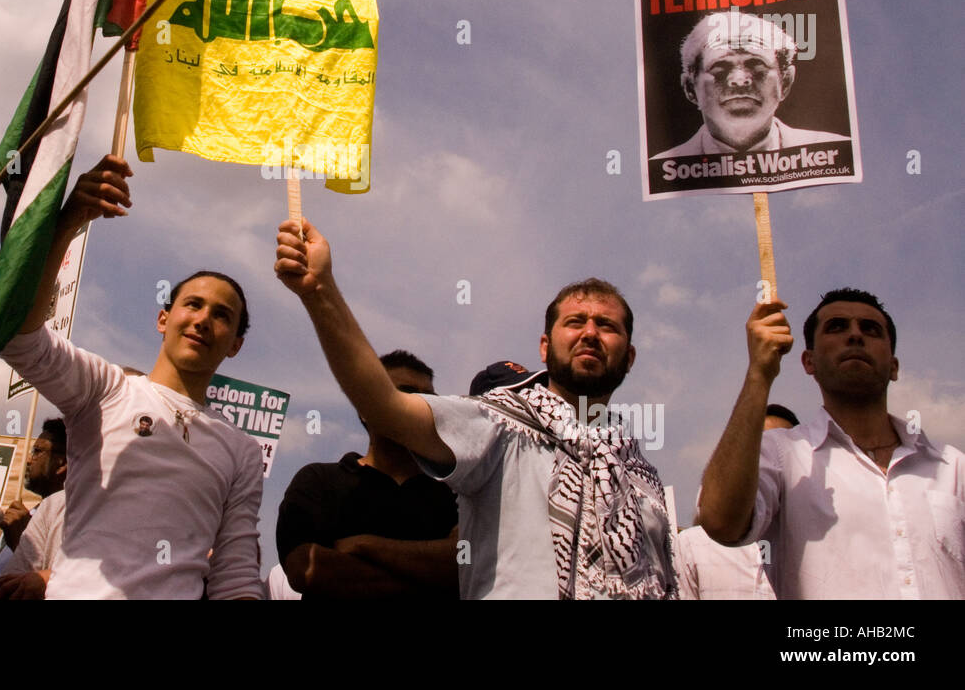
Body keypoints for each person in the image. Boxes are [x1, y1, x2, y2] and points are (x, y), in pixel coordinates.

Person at [275, 220, 677, 599]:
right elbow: (385, 407)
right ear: (544, 346)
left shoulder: (642, 477)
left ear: (630, 357)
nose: (590, 333)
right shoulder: (498, 425)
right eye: (576, 322)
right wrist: (320, 291)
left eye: (607, 326)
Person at [0, 156, 264, 599]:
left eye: (222, 316)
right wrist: (68, 224)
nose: (202, 320)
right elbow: (22, 342)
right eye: (192, 305)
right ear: (163, 318)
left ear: (234, 343)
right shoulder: (106, 389)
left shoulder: (241, 451)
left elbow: (234, 574)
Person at [697, 289, 965, 599]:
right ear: (809, 362)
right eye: (837, 327)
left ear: (893, 367)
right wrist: (759, 373)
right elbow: (720, 523)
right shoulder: (783, 454)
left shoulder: (952, 467)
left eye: (871, 329)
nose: (855, 335)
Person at [276, 349, 459, 599]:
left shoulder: (455, 491)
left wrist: (366, 546)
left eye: (429, 399)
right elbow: (306, 568)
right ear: (365, 408)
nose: (418, 405)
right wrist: (429, 574)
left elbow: (464, 566)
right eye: (404, 394)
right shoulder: (317, 481)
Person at [653, 10, 848, 158]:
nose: (740, 79)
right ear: (690, 88)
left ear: (786, 81)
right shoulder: (668, 164)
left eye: (757, 64)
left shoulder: (833, 149)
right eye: (720, 67)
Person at [675, 404, 798, 600]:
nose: (768, 461)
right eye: (758, 449)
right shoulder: (693, 546)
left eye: (780, 451)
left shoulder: (815, 544)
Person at [0, 418, 68, 601]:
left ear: (62, 463)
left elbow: (64, 583)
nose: (29, 460)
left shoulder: (71, 515)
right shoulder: (29, 514)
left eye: (37, 451)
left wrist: (23, 544)